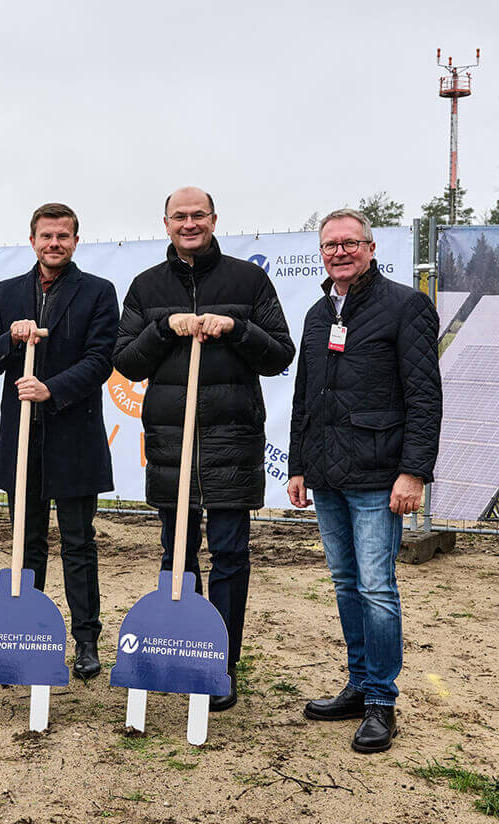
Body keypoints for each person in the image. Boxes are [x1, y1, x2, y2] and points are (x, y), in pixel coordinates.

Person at [112, 186, 296, 710]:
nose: (189, 223)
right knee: (177, 555)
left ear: (214, 219)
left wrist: (236, 328)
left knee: (232, 555)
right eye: (179, 216)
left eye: (198, 215)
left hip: (232, 442)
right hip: (173, 442)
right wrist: (163, 329)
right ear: (165, 223)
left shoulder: (248, 279)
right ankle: (181, 648)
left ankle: (221, 661)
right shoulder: (147, 286)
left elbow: (280, 351)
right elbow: (126, 361)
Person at [287, 208, 441, 754]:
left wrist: (414, 471)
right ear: (321, 253)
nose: (340, 252)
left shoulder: (407, 306)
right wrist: (299, 466)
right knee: (347, 584)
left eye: (351, 243)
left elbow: (424, 397)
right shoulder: (315, 314)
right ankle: (357, 684)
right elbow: (305, 395)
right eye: (331, 245)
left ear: (371, 249)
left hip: (380, 476)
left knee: (378, 588)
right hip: (327, 474)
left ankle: (381, 700)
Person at [0, 202, 118, 679]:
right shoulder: (7, 292)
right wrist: (11, 341)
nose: (54, 243)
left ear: (76, 241)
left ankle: (86, 641)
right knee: (25, 541)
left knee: (78, 542)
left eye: (63, 236)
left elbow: (101, 360)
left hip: (74, 436)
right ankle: (27, 632)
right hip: (21, 440)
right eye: (45, 236)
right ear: (32, 240)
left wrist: (51, 389)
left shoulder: (98, 292)